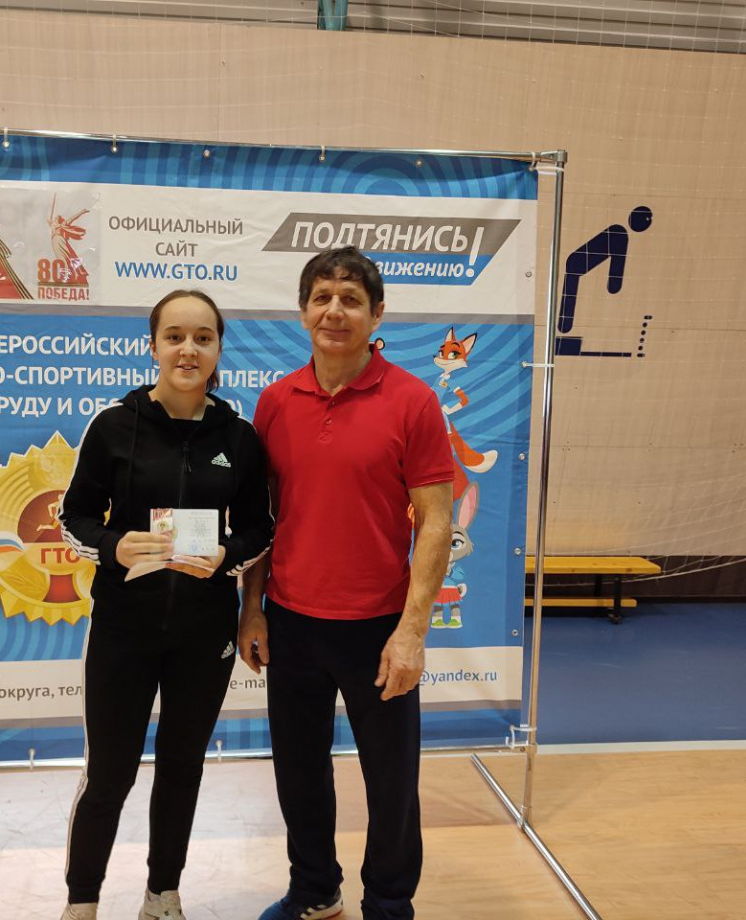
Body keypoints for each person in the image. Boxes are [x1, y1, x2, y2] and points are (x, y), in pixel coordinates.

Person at [239, 247, 453, 920]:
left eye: (351, 299)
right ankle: (315, 891)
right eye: (322, 297)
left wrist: (412, 632)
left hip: (378, 628)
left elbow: (437, 523)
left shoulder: (413, 401)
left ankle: (388, 903)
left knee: (391, 783)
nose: (335, 311)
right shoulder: (275, 402)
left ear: (376, 314)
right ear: (303, 311)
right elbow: (262, 519)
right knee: (299, 772)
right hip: (292, 622)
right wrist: (252, 609)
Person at [57, 289, 274, 920]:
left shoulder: (240, 437)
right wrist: (113, 546)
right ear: (152, 346)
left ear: (218, 349)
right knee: (110, 774)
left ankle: (162, 895)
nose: (188, 350)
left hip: (204, 634)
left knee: (182, 767)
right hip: (123, 629)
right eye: (174, 336)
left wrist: (227, 555)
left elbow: (260, 529)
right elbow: (73, 516)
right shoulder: (112, 426)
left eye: (203, 338)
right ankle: (82, 902)